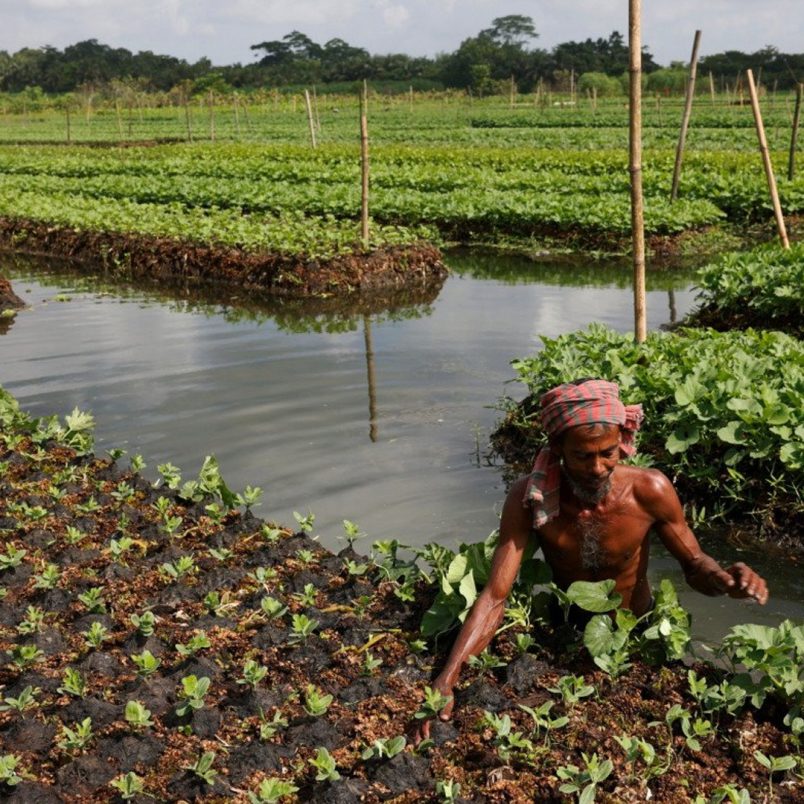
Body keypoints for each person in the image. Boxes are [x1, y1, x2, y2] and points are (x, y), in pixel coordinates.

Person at [415, 379, 768, 741]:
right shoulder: (530, 499)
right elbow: (495, 596)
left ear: (622, 444)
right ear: (558, 448)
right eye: (583, 456)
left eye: (608, 453)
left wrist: (724, 582)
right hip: (567, 630)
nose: (598, 467)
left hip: (636, 633)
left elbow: (695, 565)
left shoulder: (649, 491)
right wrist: (447, 678)